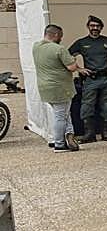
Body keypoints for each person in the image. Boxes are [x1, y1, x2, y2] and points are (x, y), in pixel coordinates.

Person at [32, 24, 82, 152]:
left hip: (44, 87)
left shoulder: (36, 47)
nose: (61, 38)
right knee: (61, 116)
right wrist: (73, 59)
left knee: (64, 114)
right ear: (55, 35)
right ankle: (59, 143)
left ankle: (69, 136)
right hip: (60, 88)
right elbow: (72, 67)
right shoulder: (59, 49)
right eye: (60, 36)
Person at [68, 15, 107, 143]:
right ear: (88, 27)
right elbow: (67, 57)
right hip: (90, 79)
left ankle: (106, 132)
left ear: (101, 28)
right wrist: (79, 69)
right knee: (87, 106)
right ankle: (89, 134)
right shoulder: (82, 43)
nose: (94, 28)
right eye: (92, 26)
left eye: (97, 26)